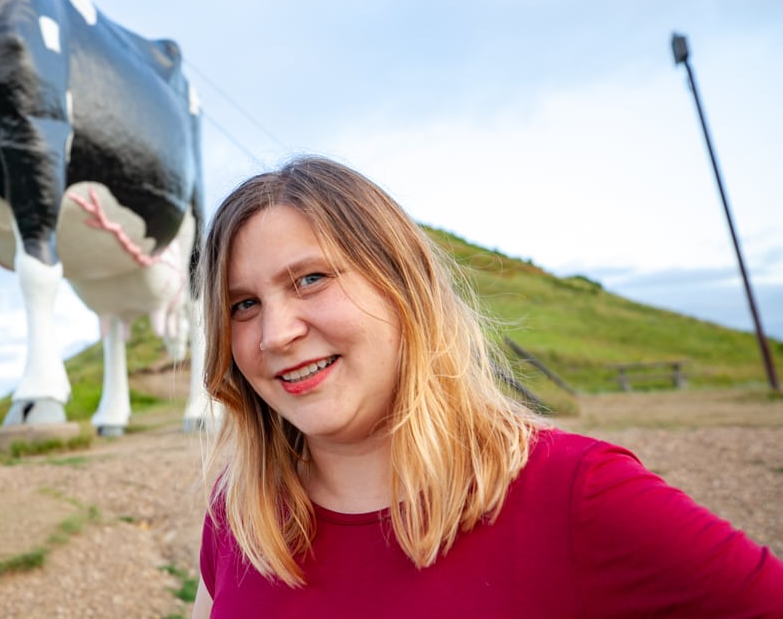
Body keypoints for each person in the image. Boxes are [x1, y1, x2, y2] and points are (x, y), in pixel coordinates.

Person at [192, 155, 783, 618]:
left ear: (405, 287)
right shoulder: (241, 516)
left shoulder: (574, 494)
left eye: (310, 279)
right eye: (243, 304)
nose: (274, 334)